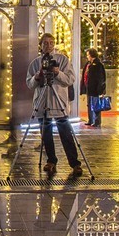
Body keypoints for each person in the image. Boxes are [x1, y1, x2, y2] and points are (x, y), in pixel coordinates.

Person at [27, 32, 82, 179]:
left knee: (66, 133)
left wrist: (58, 73)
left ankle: (75, 163)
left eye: (51, 43)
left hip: (58, 103)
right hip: (42, 103)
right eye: (45, 43)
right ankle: (51, 160)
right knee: (46, 134)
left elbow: (70, 79)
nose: (49, 46)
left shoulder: (62, 60)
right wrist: (37, 76)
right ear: (40, 45)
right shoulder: (35, 63)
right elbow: (29, 84)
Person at [83, 48, 108, 128]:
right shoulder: (89, 64)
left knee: (96, 105)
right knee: (89, 104)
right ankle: (90, 120)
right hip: (89, 87)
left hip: (95, 89)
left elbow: (100, 78)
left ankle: (97, 121)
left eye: (88, 55)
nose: (87, 56)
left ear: (91, 55)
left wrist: (100, 89)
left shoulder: (98, 65)